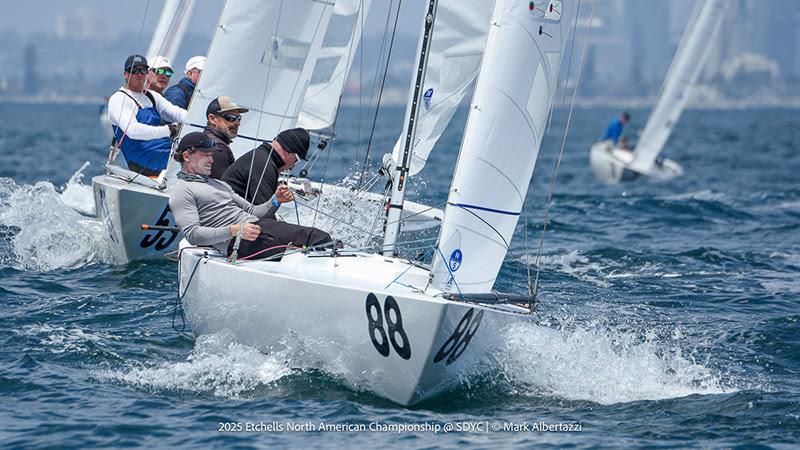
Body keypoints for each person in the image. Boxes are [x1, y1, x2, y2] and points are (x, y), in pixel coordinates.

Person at [170, 132, 331, 260]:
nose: (211, 160)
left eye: (212, 155)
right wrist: (234, 230)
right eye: (206, 154)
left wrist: (275, 201)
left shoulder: (219, 184)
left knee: (319, 238)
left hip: (259, 227)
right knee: (313, 241)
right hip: (239, 242)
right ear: (187, 156)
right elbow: (192, 234)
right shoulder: (182, 190)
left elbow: (253, 211)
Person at [107, 54, 187, 176]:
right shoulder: (118, 99)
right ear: (126, 74)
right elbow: (133, 131)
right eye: (134, 70)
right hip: (144, 162)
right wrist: (169, 130)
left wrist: (202, 119)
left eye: (143, 70)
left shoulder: (152, 96)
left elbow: (178, 113)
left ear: (147, 73)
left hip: (166, 151)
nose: (139, 74)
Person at [223, 128, 309, 205]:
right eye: (296, 160)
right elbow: (263, 211)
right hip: (228, 214)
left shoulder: (261, 156)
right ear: (288, 151)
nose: (293, 165)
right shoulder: (265, 165)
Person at [203, 96, 249, 179]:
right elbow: (220, 185)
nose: (237, 123)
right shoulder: (218, 148)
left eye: (239, 118)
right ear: (212, 119)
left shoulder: (205, 140)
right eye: (231, 118)